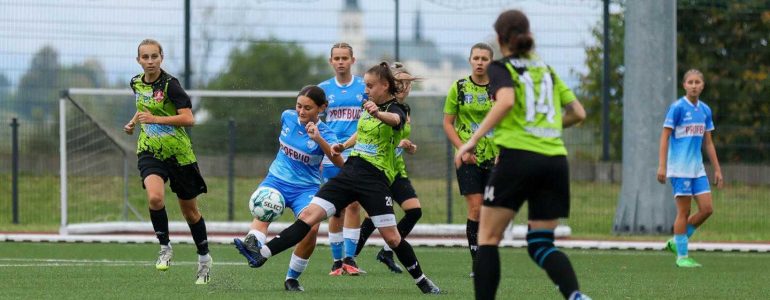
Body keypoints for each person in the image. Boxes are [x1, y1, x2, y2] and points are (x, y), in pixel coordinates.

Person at [234, 62, 441, 294]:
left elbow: (395, 121)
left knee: (393, 238)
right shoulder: (367, 105)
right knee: (309, 218)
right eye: (365, 85)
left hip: (374, 180)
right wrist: (344, 144)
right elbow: (361, 131)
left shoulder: (397, 109)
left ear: (384, 85)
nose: (366, 90)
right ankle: (261, 254)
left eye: (370, 85)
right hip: (351, 171)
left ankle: (422, 280)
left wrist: (378, 113)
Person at [455, 10, 591, 299]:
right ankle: (576, 296)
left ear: (500, 38)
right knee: (541, 243)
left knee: (488, 239)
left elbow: (505, 101)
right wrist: (548, 127)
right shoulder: (547, 70)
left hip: (516, 159)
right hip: (555, 161)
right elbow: (578, 113)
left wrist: (471, 141)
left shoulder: (502, 69)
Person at [234, 85, 344, 291]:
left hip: (305, 189)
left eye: (308, 108)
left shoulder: (327, 134)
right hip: (276, 179)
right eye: (299, 106)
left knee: (311, 229)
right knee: (263, 211)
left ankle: (291, 278)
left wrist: (318, 139)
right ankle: (253, 247)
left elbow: (340, 164)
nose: (301, 112)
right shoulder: (287, 116)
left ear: (322, 108)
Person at [123, 39, 211, 285]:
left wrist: (154, 119)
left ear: (162, 57)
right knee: (155, 198)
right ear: (138, 60)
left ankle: (204, 259)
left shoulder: (171, 85)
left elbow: (189, 119)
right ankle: (165, 247)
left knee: (190, 212)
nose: (150, 61)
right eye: (145, 57)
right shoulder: (135, 82)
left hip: (179, 155)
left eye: (154, 56)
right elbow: (144, 107)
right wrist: (134, 122)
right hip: (150, 150)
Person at [354, 62, 422, 273]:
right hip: (379, 168)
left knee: (414, 212)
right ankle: (349, 257)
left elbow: (400, 138)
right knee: (373, 216)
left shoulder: (404, 109)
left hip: (396, 169)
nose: (406, 87)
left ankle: (386, 251)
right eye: (402, 82)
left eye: (409, 83)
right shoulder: (379, 106)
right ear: (391, 84)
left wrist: (408, 147)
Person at [657, 69, 723, 268]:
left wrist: (718, 169)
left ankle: (676, 240)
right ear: (684, 85)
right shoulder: (677, 108)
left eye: (697, 82)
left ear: (702, 86)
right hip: (679, 169)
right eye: (690, 82)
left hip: (697, 169)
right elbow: (664, 136)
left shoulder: (705, 110)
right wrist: (662, 166)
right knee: (683, 212)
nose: (694, 85)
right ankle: (682, 256)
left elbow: (709, 143)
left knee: (707, 209)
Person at [443, 42, 498, 277]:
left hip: (494, 158)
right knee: (475, 208)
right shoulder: (459, 87)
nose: (479, 62)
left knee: (490, 210)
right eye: (476, 58)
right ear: (470, 60)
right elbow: (447, 123)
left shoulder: (499, 90)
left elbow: (507, 124)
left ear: (490, 62)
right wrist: (462, 149)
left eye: (484, 59)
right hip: (468, 159)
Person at [318, 42, 366, 276]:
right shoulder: (323, 89)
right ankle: (337, 261)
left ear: (352, 60)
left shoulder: (363, 87)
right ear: (331, 61)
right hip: (332, 153)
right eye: (336, 58)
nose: (340, 62)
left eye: (344, 58)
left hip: (357, 151)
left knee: (355, 203)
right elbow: (313, 121)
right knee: (335, 208)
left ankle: (350, 258)